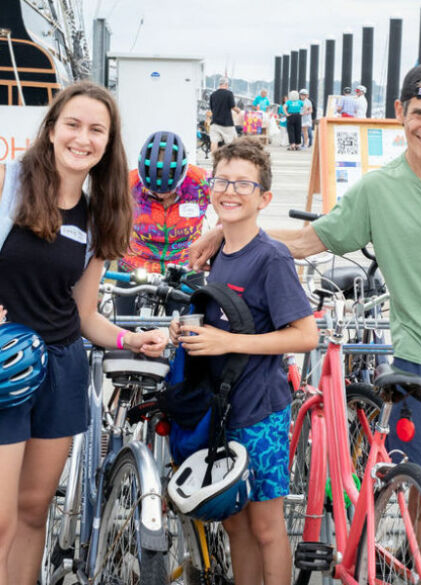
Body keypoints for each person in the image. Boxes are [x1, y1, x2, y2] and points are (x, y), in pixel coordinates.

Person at [191, 63, 421, 585]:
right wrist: (233, 228)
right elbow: (312, 240)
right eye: (420, 113)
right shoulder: (376, 189)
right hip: (419, 365)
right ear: (400, 114)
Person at [0, 80, 165, 585]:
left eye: (97, 130)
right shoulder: (0, 184)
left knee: (33, 516)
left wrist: (130, 339)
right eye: (72, 124)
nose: (83, 138)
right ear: (51, 130)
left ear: (108, 142)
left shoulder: (99, 217)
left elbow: (83, 314)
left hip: (61, 370)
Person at [171, 137, 318, 585]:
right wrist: (188, 332)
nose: (230, 191)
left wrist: (225, 343)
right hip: (222, 409)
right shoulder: (220, 251)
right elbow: (225, 322)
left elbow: (305, 335)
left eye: (243, 184)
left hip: (261, 412)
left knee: (266, 526)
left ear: (264, 198)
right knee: (235, 521)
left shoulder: (270, 257)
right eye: (222, 181)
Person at [115, 130, 210, 315]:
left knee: (190, 332)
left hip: (185, 263)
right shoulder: (127, 183)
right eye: (153, 191)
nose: (161, 195)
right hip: (136, 261)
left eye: (170, 190)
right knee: (123, 327)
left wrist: (219, 233)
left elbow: (232, 204)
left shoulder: (201, 182)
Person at [209, 77, 240, 154]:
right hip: (227, 123)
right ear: (226, 84)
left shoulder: (213, 95)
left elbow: (212, 109)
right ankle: (232, 158)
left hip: (215, 122)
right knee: (234, 141)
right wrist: (239, 111)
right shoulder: (229, 94)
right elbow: (233, 106)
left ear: (219, 84)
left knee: (214, 141)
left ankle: (214, 159)